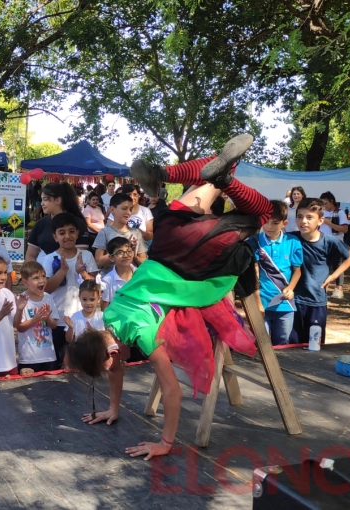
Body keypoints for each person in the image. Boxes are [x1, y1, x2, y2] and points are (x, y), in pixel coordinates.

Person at [67, 134, 281, 460]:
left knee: (263, 213)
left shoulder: (142, 335)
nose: (120, 365)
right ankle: (171, 173)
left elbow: (173, 392)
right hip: (169, 239)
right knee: (218, 175)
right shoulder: (107, 319)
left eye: (116, 361)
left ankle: (212, 177)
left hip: (194, 259)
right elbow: (114, 365)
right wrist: (112, 408)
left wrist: (165, 443)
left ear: (110, 350)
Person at [291, 198, 350, 344]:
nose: (304, 221)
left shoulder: (329, 241)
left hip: (317, 301)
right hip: (293, 300)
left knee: (315, 344)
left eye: (309, 217)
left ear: (320, 221)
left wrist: (333, 276)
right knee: (292, 345)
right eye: (300, 216)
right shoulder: (290, 238)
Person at [42, 213, 98, 367]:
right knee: (59, 361)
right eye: (62, 232)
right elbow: (46, 288)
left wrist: (82, 272)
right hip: (58, 318)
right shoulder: (49, 259)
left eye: (71, 231)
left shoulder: (86, 256)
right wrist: (62, 271)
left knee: (82, 362)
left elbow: (95, 287)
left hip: (82, 317)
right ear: (55, 236)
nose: (67, 236)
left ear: (77, 233)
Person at [248, 200, 304, 346]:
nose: (269, 227)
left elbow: (297, 271)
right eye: (265, 222)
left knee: (282, 342)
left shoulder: (293, 242)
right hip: (262, 303)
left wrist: (291, 288)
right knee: (261, 344)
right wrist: (258, 302)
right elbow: (254, 274)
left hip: (286, 304)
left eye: (275, 223)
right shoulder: (254, 241)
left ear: (284, 223)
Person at [14, 261, 59, 375]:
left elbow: (54, 325)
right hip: (29, 358)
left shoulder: (48, 298)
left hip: (49, 357)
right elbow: (19, 327)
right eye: (35, 278)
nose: (41, 280)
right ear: (25, 282)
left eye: (43, 276)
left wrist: (47, 318)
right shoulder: (22, 300)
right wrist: (36, 319)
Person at [26, 183, 90, 262]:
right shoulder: (40, 224)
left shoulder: (78, 223)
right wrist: (35, 272)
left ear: (58, 200)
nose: (42, 203)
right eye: (41, 199)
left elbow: (80, 257)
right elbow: (30, 255)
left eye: (45, 199)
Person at [93, 193, 147, 271]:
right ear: (112, 209)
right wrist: (121, 249)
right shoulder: (105, 232)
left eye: (130, 209)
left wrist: (133, 254)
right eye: (124, 208)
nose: (128, 212)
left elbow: (144, 262)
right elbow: (98, 263)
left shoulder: (136, 233)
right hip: (110, 280)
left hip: (132, 279)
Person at [319, 192, 350, 299]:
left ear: (332, 201)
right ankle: (323, 287)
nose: (324, 206)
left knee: (337, 265)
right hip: (322, 242)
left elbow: (345, 229)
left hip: (336, 242)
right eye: (322, 204)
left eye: (325, 203)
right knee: (323, 265)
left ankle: (338, 289)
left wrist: (328, 223)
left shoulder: (340, 213)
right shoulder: (321, 213)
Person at [100, 237, 135, 310]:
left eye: (129, 251)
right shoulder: (107, 280)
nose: (126, 255)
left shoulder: (139, 274)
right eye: (120, 252)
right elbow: (104, 309)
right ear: (111, 257)